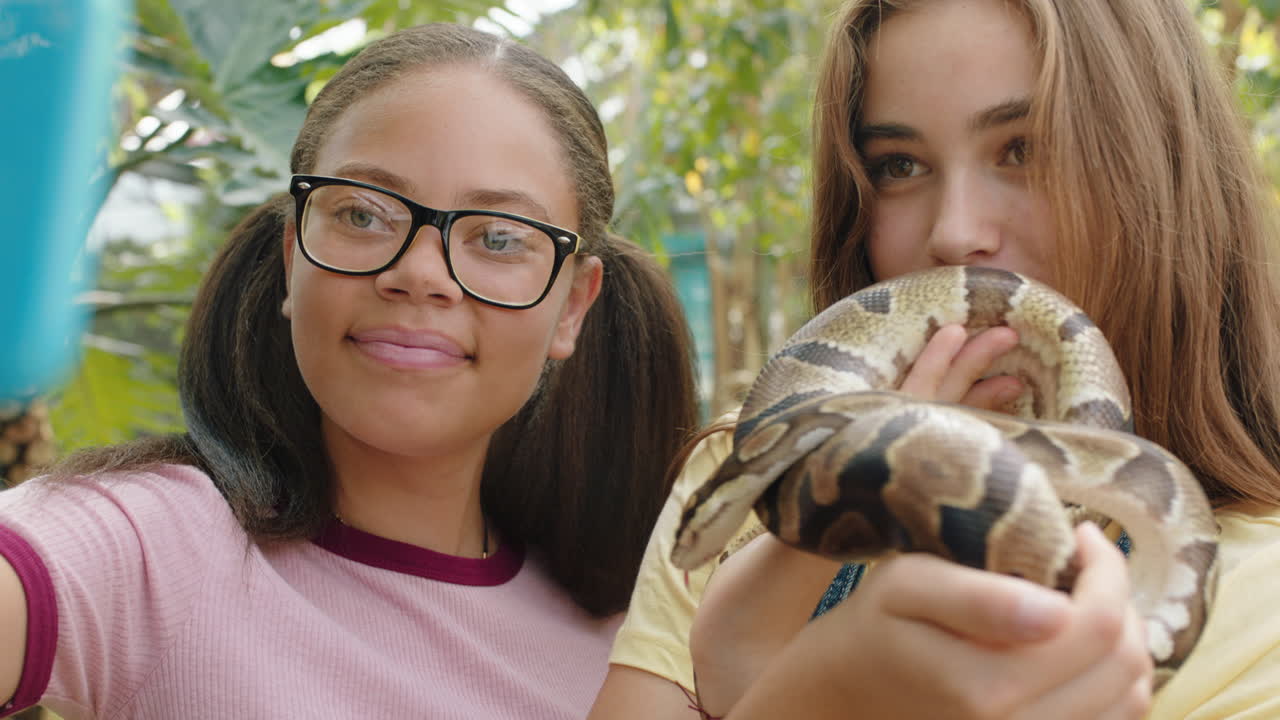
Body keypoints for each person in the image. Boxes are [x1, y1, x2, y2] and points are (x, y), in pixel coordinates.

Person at [589, 0, 1280, 718]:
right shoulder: (745, 457)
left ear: (1160, 168)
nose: (954, 235)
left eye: (1026, 148)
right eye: (900, 164)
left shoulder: (1263, 609)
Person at [0, 22, 700, 719]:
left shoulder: (636, 659)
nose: (420, 273)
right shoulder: (152, 545)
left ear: (573, 306)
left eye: (498, 238)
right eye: (363, 214)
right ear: (291, 254)